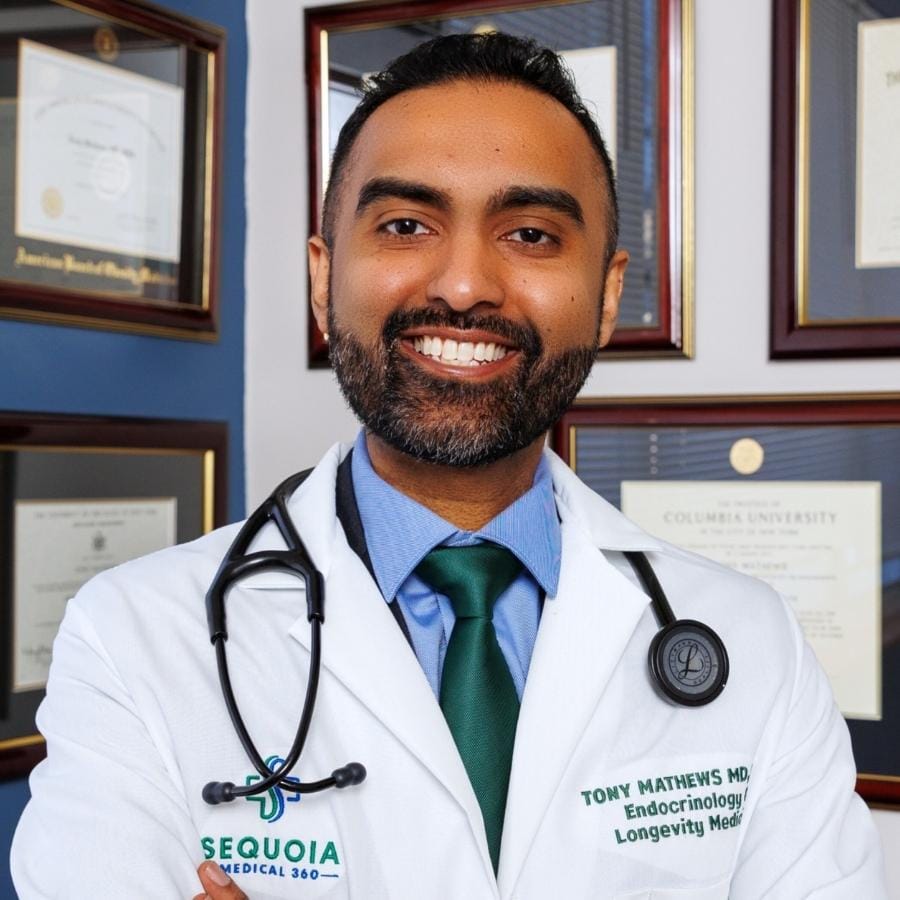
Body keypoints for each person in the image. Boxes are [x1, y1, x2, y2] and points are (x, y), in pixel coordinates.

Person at [11, 32, 887, 900]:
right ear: (323, 280)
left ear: (611, 294)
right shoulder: (133, 638)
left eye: (532, 234)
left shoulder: (752, 640)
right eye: (405, 224)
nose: (465, 284)